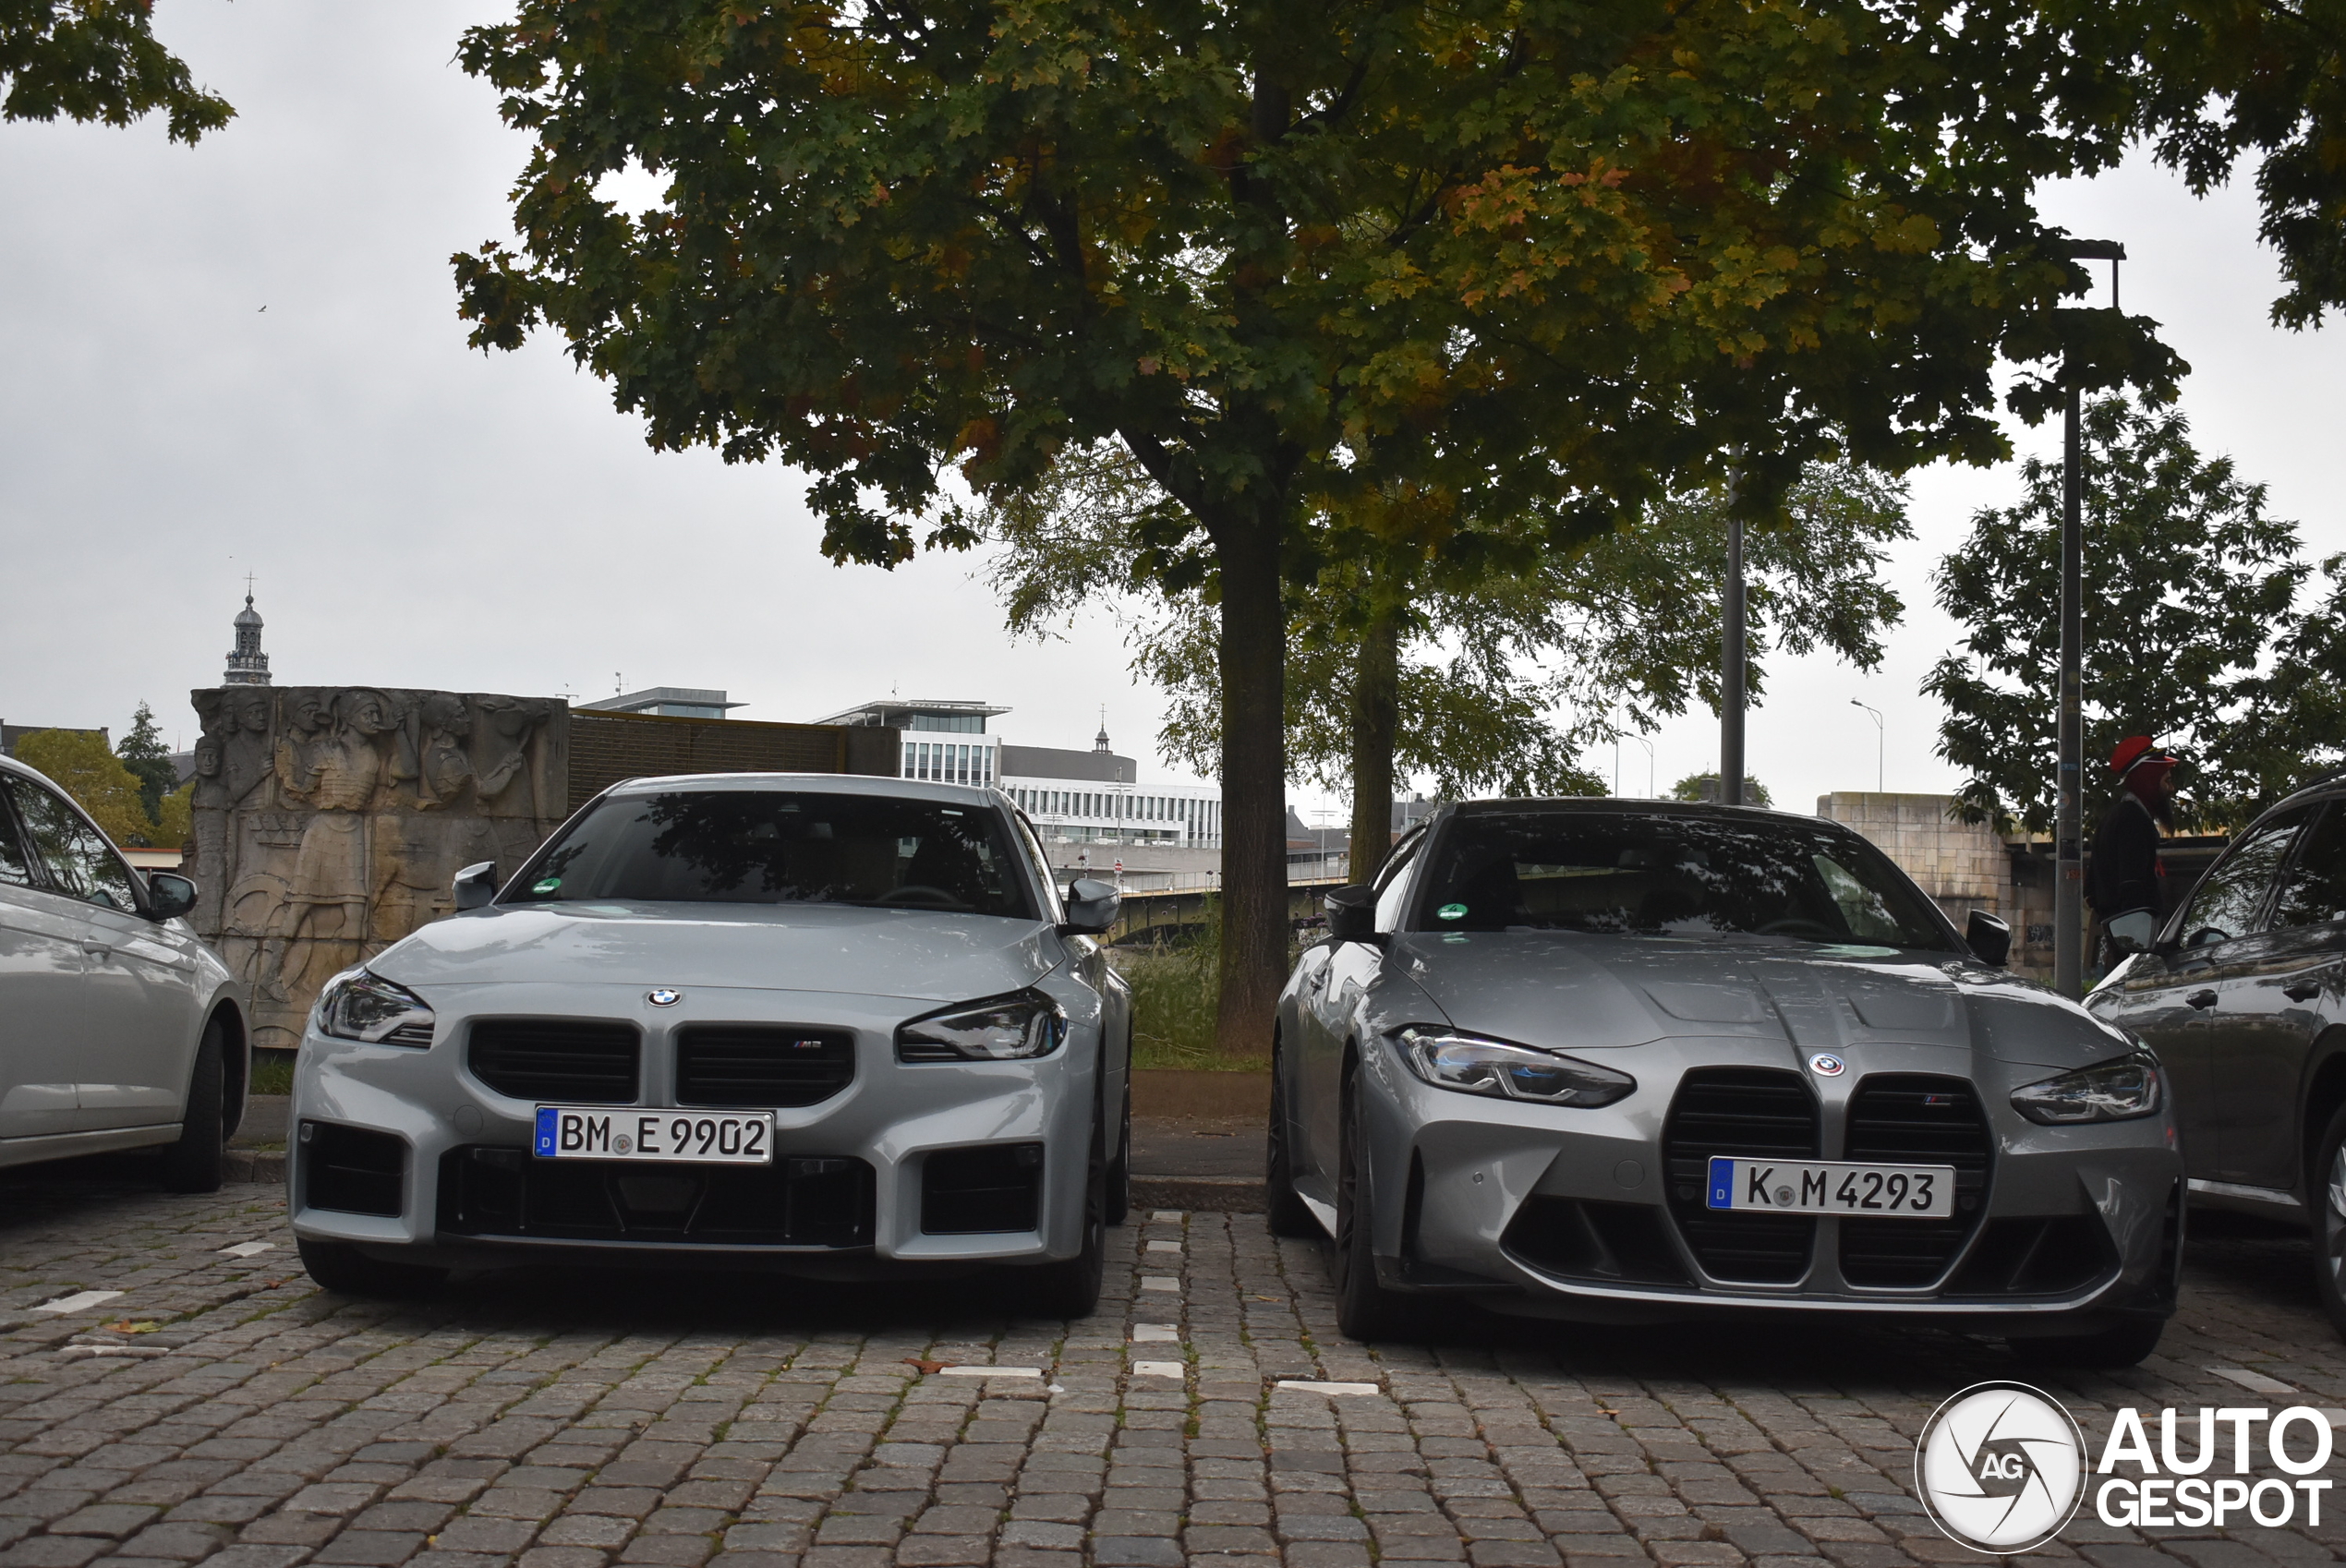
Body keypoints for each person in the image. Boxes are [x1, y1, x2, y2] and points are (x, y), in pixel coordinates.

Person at [2088, 735, 2179, 960]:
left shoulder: (2114, 817)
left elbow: (2090, 888)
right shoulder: (2134, 821)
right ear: (2148, 780)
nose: (2172, 789)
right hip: (2136, 944)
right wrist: (2137, 938)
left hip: (2124, 939)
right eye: (2166, 781)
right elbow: (2133, 885)